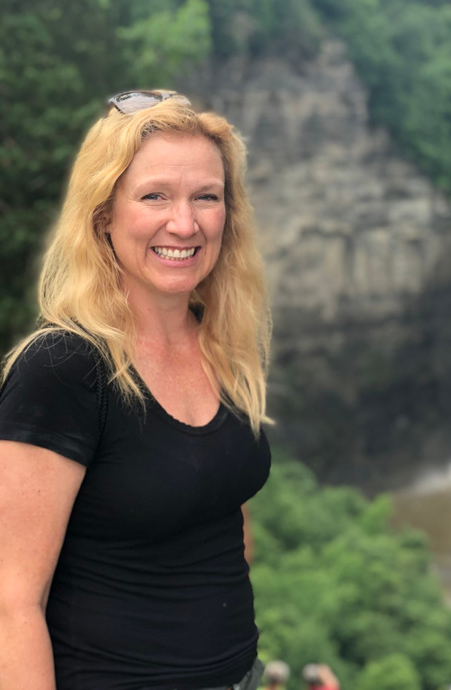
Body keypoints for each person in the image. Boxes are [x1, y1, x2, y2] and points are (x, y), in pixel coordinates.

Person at [0, 90, 273, 689]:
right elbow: (11, 603)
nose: (186, 223)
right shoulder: (64, 370)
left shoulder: (224, 346)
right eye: (155, 196)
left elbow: (223, 509)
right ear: (104, 215)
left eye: (207, 197)